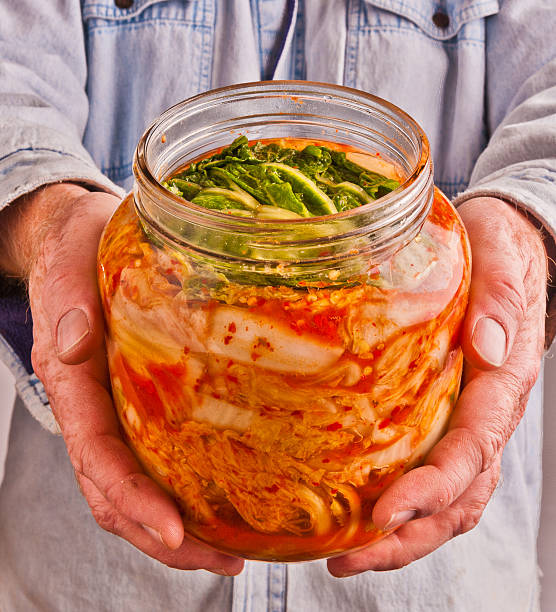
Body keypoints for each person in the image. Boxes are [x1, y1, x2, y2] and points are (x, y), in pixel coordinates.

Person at [0, 0, 553, 610]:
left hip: (439, 587)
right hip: (99, 580)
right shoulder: (134, 259)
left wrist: (526, 224)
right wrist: (46, 218)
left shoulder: (436, 249)